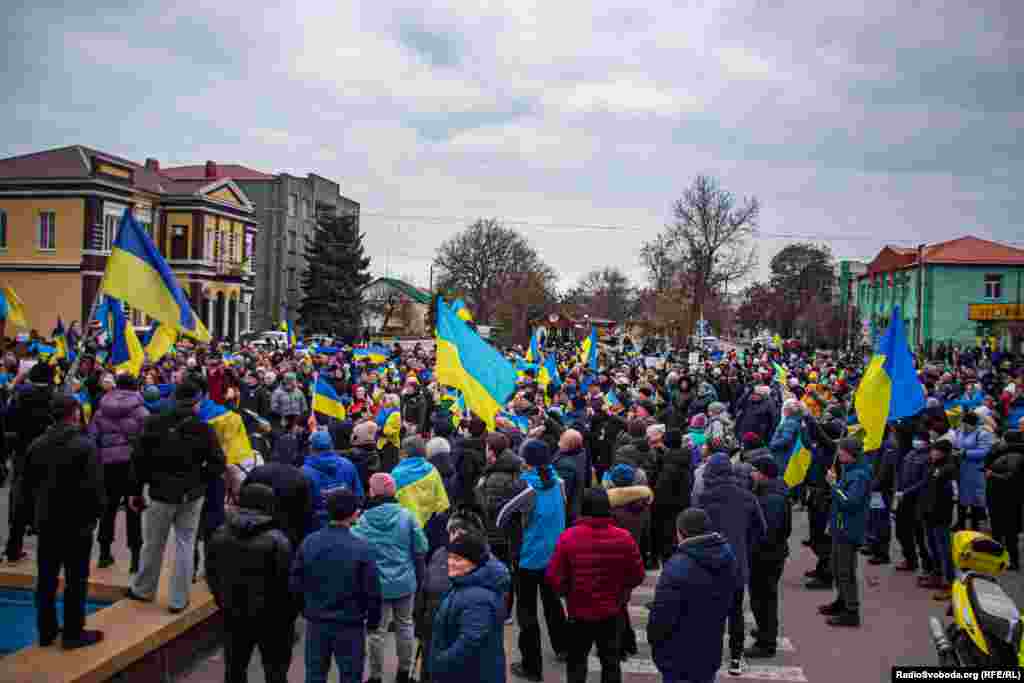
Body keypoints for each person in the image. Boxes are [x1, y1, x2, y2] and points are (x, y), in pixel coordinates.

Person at [126, 382, 227, 614]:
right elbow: (218, 463)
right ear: (196, 402)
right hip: (191, 495)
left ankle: (143, 589)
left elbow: (138, 460)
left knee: (153, 543)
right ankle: (178, 599)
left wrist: (135, 490)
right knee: (185, 544)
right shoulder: (203, 428)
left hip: (160, 492)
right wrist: (199, 478)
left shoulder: (154, 423)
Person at [24, 396, 106, 649]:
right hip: (77, 524)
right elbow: (95, 488)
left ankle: (46, 631)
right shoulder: (85, 446)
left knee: (46, 578)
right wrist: (95, 516)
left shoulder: (35, 446)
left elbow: (26, 488)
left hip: (47, 522)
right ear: (74, 414)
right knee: (75, 580)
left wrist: (32, 518)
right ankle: (72, 633)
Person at [546, 488, 645, 683]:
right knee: (611, 662)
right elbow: (637, 575)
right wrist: (621, 593)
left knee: (576, 662)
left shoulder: (568, 537)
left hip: (579, 611)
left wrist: (568, 593)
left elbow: (554, 577)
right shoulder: (624, 538)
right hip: (612, 611)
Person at [205, 483, 295, 683]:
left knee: (235, 668)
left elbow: (211, 574)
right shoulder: (277, 540)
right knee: (275, 672)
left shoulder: (220, 534)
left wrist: (223, 601)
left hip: (233, 613)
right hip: (272, 618)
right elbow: (288, 584)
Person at [291, 488, 382, 683]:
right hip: (350, 623)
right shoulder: (362, 548)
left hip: (317, 622)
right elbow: (372, 591)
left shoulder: (309, 542)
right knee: (351, 675)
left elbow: (296, 583)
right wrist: (373, 621)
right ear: (353, 514)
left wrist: (305, 609)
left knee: (315, 674)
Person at [496, 439, 568, 682]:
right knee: (553, 604)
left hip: (528, 558)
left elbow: (500, 518)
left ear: (526, 461)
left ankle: (532, 666)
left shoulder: (527, 487)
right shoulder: (559, 482)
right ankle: (562, 647)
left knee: (527, 615)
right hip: (554, 554)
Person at [647, 508, 740, 683]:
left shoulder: (676, 567)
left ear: (681, 533)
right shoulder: (727, 556)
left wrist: (654, 641)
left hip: (678, 654)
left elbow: (661, 619)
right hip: (710, 646)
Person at [352, 473, 428, 683]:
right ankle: (404, 673)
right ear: (394, 491)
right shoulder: (406, 515)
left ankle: (376, 676)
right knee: (405, 625)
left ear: (372, 491)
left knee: (376, 631)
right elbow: (422, 546)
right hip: (405, 582)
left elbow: (356, 549)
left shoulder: (363, 520)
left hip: (376, 586)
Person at [696, 452, 765, 674]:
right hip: (737, 562)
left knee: (710, 613)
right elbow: (760, 530)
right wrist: (745, 546)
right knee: (736, 612)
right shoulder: (747, 497)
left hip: (709, 564)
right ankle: (735, 658)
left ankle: (709, 656)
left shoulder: (704, 497)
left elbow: (694, 531)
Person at [429, 531, 511, 683]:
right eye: (451, 557)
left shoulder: (478, 599)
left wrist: (441, 662)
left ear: (475, 563)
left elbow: (470, 642)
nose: (451, 563)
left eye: (458, 559)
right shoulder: (464, 582)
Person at [88, 372, 149, 571]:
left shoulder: (100, 410)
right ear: (134, 388)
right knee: (134, 509)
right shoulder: (141, 411)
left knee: (108, 509)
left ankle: (104, 554)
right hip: (132, 466)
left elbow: (93, 439)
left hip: (108, 466)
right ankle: (135, 559)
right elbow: (147, 441)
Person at [4, 361, 56, 563]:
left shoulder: (20, 395)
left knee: (19, 500)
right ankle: (47, 554)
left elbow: (8, 418)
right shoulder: (54, 396)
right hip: (47, 455)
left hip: (22, 453)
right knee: (46, 501)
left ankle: (13, 549)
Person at [818, 438, 871, 627]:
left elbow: (849, 502)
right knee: (837, 568)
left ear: (852, 454)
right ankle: (841, 602)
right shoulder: (849, 470)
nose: (838, 455)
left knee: (845, 571)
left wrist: (833, 485)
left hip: (849, 529)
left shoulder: (860, 476)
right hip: (840, 527)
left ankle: (851, 611)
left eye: (842, 452)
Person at [745, 455, 792, 658]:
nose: (751, 474)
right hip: (771, 553)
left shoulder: (771, 498)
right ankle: (765, 630)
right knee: (764, 597)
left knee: (763, 598)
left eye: (754, 470)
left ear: (763, 474)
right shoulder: (772, 491)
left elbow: (768, 532)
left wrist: (753, 546)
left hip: (766, 556)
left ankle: (766, 642)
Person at [918, 440, 958, 600]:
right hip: (929, 512)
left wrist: (941, 512)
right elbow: (926, 486)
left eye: (935, 451)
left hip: (940, 515)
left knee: (944, 549)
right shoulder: (932, 465)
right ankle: (937, 574)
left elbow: (950, 495)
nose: (931, 453)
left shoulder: (949, 469)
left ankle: (950, 583)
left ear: (943, 453)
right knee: (932, 545)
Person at [301, 430, 364, 533]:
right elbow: (359, 496)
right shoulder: (348, 465)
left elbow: (302, 507)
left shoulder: (304, 472)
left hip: (316, 529)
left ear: (311, 448)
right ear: (332, 446)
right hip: (346, 526)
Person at [244, 458, 314, 550]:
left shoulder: (257, 471)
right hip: (290, 529)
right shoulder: (300, 475)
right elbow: (306, 511)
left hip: (258, 531)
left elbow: (244, 495)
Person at [893, 431, 935, 575]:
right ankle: (910, 559)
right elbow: (900, 473)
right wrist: (899, 489)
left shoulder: (928, 457)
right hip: (903, 499)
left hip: (917, 501)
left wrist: (906, 491)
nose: (916, 441)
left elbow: (924, 481)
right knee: (901, 531)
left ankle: (928, 565)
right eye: (915, 438)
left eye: (919, 439)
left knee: (920, 535)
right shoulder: (910, 454)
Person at [984, 428, 1023, 571]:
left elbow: (1010, 477)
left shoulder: (1014, 456)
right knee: (1004, 531)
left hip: (1004, 498)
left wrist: (991, 474)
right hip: (1005, 498)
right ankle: (1005, 559)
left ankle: (1008, 560)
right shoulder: (1007, 453)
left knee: (1005, 532)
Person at [952, 411, 993, 530]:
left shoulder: (983, 434)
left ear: (974, 424)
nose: (964, 426)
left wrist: (965, 453)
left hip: (975, 471)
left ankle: (975, 527)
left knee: (975, 500)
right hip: (960, 469)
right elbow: (955, 443)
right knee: (961, 498)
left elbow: (984, 452)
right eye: (963, 423)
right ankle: (960, 524)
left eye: (966, 424)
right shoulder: (960, 431)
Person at [552, 429, 587, 524]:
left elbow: (563, 492)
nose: (559, 443)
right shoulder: (580, 452)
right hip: (576, 504)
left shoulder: (566, 466)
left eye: (562, 440)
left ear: (568, 446)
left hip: (566, 510)